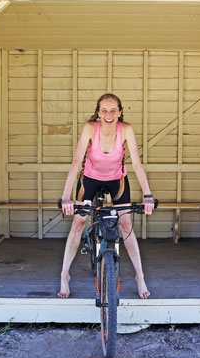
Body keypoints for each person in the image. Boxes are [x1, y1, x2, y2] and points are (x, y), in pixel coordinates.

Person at [58, 93, 154, 299]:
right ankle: (64, 275)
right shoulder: (90, 128)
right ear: (98, 113)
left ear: (120, 112)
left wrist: (148, 195)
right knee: (79, 222)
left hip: (116, 179)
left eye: (113, 110)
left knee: (126, 224)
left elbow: (136, 164)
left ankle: (140, 276)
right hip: (90, 179)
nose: (108, 114)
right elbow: (76, 162)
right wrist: (66, 197)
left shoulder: (126, 129)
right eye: (104, 110)